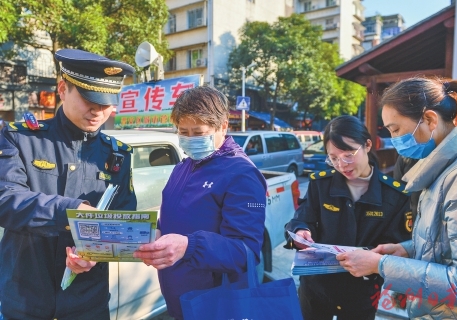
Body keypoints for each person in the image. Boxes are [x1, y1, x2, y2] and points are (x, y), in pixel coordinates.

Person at [0, 49, 137, 320]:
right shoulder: (21, 139)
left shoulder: (117, 154)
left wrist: (96, 253)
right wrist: (74, 213)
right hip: (25, 301)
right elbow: (6, 200)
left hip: (88, 304)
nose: (98, 112)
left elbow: (124, 222)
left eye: (107, 103)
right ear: (63, 89)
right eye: (90, 100)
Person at [337, 77, 457, 319]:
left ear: (429, 120)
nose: (395, 140)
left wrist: (380, 265)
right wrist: (407, 249)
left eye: (396, 129)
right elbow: (448, 242)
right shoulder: (445, 167)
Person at [133, 85, 267, 320]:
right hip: (179, 299)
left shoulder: (241, 174)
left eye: (198, 132)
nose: (189, 139)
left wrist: (189, 246)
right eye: (183, 132)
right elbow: (175, 221)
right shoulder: (183, 167)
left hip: (215, 304)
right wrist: (156, 235)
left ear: (223, 126)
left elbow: (245, 251)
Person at [284, 115, 412, 320]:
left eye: (348, 155)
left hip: (362, 292)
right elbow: (303, 218)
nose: (341, 164)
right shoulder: (320, 184)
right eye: (333, 158)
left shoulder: (394, 194)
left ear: (367, 145)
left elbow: (400, 247)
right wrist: (301, 231)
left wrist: (373, 257)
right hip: (317, 289)